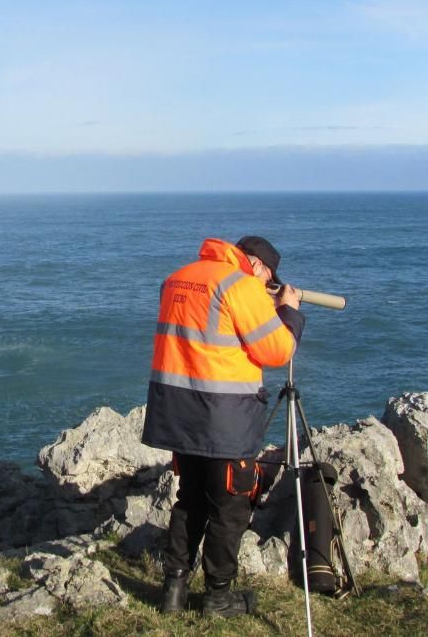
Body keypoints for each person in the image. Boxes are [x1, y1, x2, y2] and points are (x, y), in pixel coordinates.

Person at [141, 235, 304, 617]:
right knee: (229, 508)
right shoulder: (241, 285)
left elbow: (209, 330)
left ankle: (174, 593)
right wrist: (289, 312)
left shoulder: (178, 278)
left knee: (190, 499)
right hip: (222, 419)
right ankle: (218, 598)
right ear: (261, 269)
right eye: (268, 277)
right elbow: (277, 351)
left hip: (179, 414)